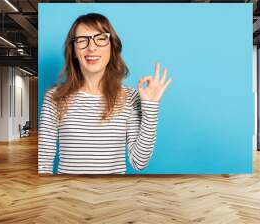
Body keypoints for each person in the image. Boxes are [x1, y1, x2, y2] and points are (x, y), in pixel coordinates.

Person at [38, 13, 172, 174]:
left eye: (100, 38)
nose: (91, 47)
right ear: (73, 50)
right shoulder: (54, 96)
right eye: (82, 40)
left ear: (112, 46)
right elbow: (43, 161)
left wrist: (151, 107)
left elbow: (139, 162)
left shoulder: (129, 97)